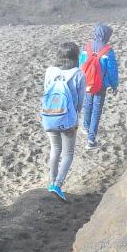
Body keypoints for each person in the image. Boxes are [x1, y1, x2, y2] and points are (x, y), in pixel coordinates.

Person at [40, 40, 86, 200]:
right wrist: (75, 117)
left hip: (49, 116)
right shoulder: (78, 74)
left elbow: (46, 91)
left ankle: (51, 182)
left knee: (55, 149)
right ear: (76, 56)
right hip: (68, 119)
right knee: (68, 153)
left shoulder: (50, 71)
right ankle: (58, 185)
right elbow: (80, 101)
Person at [79, 23, 119, 148]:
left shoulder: (86, 47)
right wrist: (114, 85)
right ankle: (91, 141)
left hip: (87, 82)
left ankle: (86, 127)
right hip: (100, 85)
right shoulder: (108, 51)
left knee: (88, 104)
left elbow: (81, 64)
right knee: (96, 110)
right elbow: (112, 70)